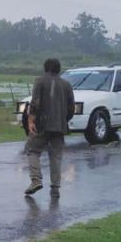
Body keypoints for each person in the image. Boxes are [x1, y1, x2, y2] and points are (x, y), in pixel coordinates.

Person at [25, 58, 75, 197]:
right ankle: (55, 188)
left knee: (32, 150)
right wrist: (63, 120)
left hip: (42, 124)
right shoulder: (66, 84)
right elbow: (71, 108)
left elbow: (35, 102)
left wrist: (31, 121)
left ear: (45, 68)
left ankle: (36, 180)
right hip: (59, 126)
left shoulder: (39, 81)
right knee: (56, 156)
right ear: (59, 69)